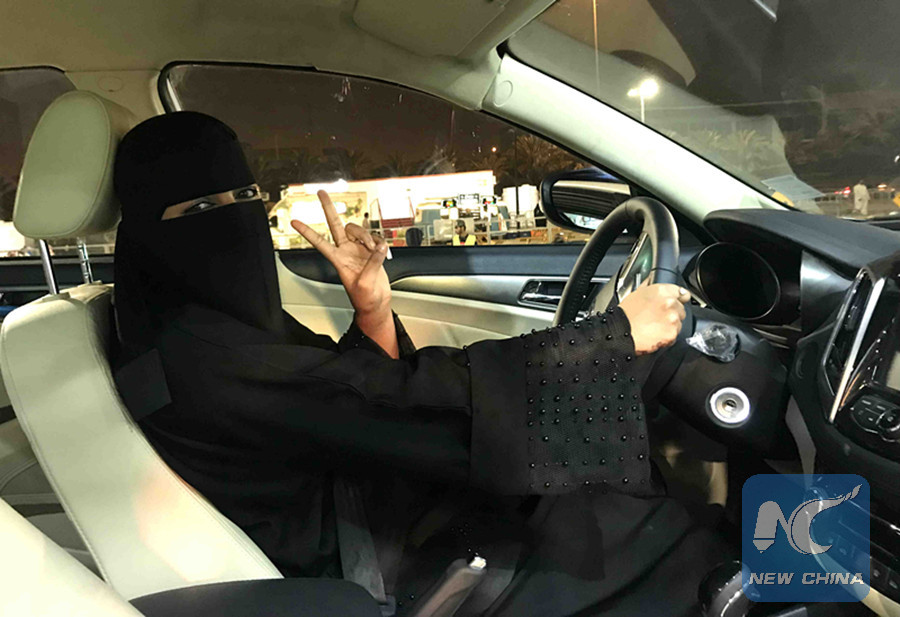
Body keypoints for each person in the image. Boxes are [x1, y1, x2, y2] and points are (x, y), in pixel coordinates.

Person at [111, 112, 724, 617]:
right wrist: (609, 339)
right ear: (146, 229)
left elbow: (344, 397)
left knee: (598, 496)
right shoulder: (201, 357)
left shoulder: (204, 327)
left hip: (372, 504)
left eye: (245, 195)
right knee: (636, 534)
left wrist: (373, 309)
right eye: (201, 206)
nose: (234, 215)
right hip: (375, 560)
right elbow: (389, 403)